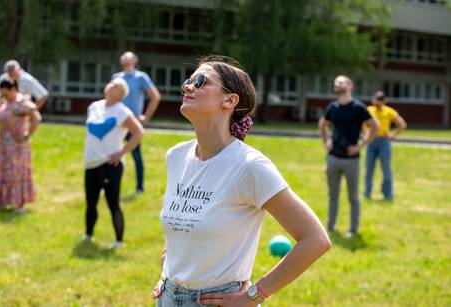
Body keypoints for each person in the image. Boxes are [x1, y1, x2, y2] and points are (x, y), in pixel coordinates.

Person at [153, 56, 331, 306]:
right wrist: (168, 270)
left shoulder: (249, 167)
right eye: (188, 82)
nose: (188, 87)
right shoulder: (176, 156)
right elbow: (181, 226)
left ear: (230, 100)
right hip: (168, 297)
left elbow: (315, 239)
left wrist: (255, 295)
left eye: (201, 81)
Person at [83, 78, 144, 248]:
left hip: (110, 164)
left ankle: (119, 241)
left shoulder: (121, 111)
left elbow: (139, 132)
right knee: (90, 202)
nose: (110, 85)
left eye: (116, 86)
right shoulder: (94, 107)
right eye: (111, 83)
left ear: (121, 94)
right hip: (91, 163)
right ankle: (88, 235)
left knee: (112, 203)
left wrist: (121, 152)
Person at [318, 75, 379, 238]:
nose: (337, 84)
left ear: (350, 86)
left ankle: (353, 229)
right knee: (333, 196)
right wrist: (326, 141)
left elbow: (375, 126)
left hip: (352, 160)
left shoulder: (358, 107)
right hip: (333, 158)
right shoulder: (333, 107)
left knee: (353, 197)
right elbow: (322, 124)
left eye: (341, 82)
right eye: (336, 82)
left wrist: (361, 145)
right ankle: (330, 227)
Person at [0, 80, 41, 213]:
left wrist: (27, 134)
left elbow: (36, 118)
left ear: (13, 90)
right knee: (1, 170)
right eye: (2, 94)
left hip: (17, 144)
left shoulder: (21, 102)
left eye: (6, 93)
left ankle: (19, 203)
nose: (3, 96)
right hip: (2, 143)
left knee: (15, 172)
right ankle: (0, 201)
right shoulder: (5, 102)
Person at [112, 51, 160, 194]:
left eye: (128, 57)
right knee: (113, 153)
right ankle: (111, 185)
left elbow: (155, 97)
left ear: (135, 60)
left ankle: (139, 187)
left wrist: (145, 117)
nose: (125, 59)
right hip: (117, 122)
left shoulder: (141, 77)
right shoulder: (116, 78)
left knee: (136, 156)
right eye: (123, 57)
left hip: (132, 123)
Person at [364, 91, 407, 201]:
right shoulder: (369, 110)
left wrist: (392, 134)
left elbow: (402, 124)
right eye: (376, 101)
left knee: (386, 169)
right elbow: (363, 123)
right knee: (369, 169)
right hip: (371, 141)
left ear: (384, 101)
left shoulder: (388, 111)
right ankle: (367, 193)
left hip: (384, 142)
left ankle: (387, 194)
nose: (377, 104)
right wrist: (367, 133)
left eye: (380, 102)